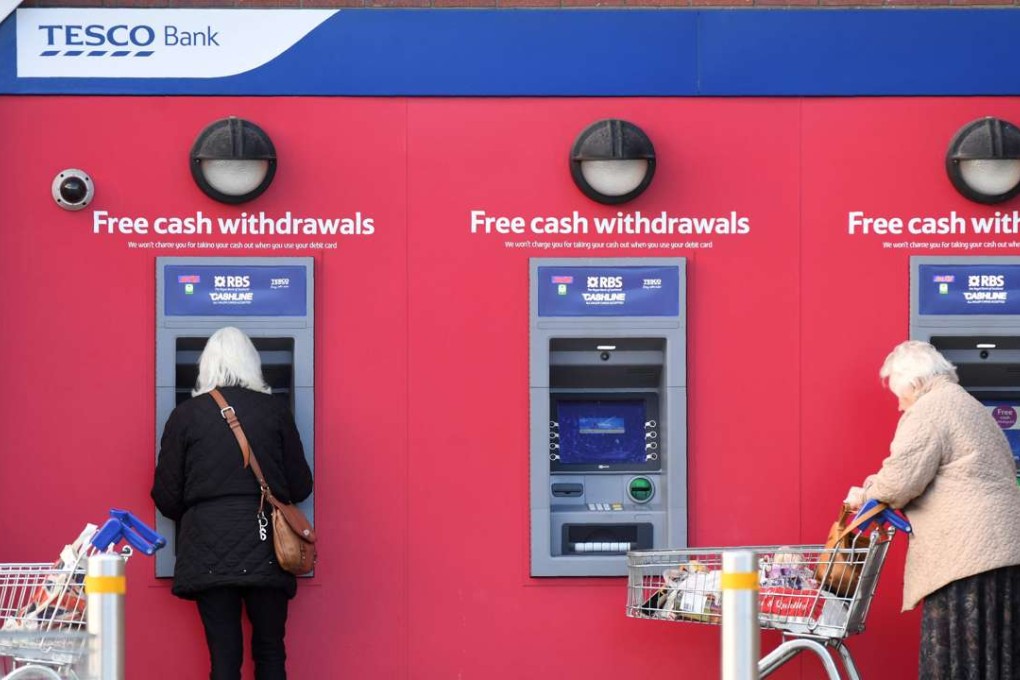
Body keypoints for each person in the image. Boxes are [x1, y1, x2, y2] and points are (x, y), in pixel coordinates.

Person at [847, 340, 1020, 679]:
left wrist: (865, 493)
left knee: (959, 656)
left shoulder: (930, 410)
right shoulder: (966, 403)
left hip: (966, 556)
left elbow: (899, 482)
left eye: (900, 395)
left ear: (914, 383)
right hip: (1002, 550)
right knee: (996, 655)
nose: (899, 406)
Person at [152, 326, 313, 680]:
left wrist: (202, 512)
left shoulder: (185, 415)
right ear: (253, 364)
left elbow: (165, 496)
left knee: (224, 661)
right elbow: (301, 485)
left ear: (204, 365)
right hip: (268, 547)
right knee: (271, 652)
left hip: (208, 550)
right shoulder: (275, 412)